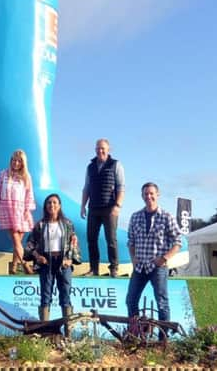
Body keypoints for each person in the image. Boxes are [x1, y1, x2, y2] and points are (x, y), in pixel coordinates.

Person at [126, 182, 182, 327]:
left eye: (151, 193)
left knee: (162, 303)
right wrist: (133, 259)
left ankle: (162, 339)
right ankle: (136, 332)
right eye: (146, 194)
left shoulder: (166, 216)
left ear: (157, 195)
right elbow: (131, 241)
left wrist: (164, 258)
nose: (148, 196)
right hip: (139, 268)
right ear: (142, 196)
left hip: (158, 268)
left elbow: (178, 242)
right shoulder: (135, 217)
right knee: (131, 300)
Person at [25, 194, 77, 322]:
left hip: (63, 261)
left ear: (59, 206)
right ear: (45, 206)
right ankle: (45, 329)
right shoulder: (40, 225)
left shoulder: (67, 224)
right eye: (49, 203)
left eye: (54, 202)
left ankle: (68, 331)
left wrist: (69, 259)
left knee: (65, 294)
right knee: (45, 295)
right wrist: (38, 256)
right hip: (46, 262)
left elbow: (73, 243)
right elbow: (29, 244)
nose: (51, 205)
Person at [80, 138, 125, 277]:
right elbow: (86, 188)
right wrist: (83, 206)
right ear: (95, 150)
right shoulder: (90, 167)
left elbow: (121, 187)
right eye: (98, 148)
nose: (100, 150)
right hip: (93, 207)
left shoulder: (116, 165)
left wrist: (118, 205)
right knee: (91, 239)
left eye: (103, 148)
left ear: (108, 149)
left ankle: (114, 268)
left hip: (110, 208)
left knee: (111, 239)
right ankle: (94, 269)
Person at [0, 149, 36, 274]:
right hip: (7, 208)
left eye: (19, 161)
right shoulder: (3, 174)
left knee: (17, 242)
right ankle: (25, 264)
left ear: (23, 163)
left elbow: (29, 194)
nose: (16, 163)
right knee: (16, 240)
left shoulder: (26, 176)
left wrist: (27, 211)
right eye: (14, 160)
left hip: (21, 210)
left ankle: (13, 267)